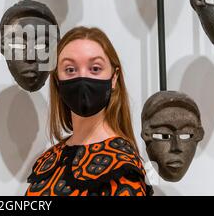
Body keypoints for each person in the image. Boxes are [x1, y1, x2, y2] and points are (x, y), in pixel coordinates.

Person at [25, 26, 153, 196]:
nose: (82, 78)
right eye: (70, 69)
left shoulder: (123, 170)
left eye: (95, 69)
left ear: (114, 78)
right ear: (57, 79)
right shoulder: (48, 159)